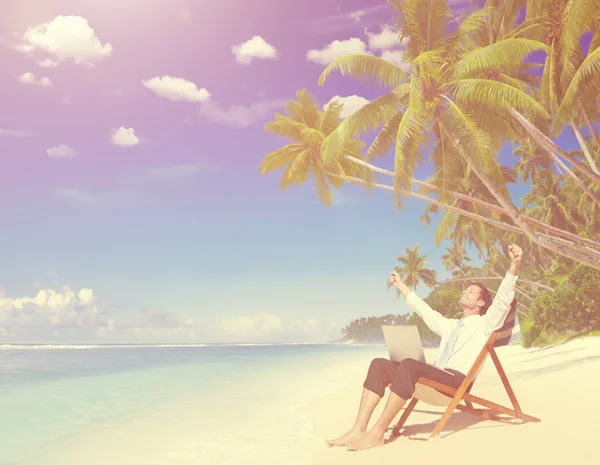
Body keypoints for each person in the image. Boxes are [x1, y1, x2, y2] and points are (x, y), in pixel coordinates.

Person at [327, 244, 523, 451]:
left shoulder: (486, 324)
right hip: (438, 376)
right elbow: (424, 310)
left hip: (455, 381)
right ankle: (358, 429)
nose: (465, 292)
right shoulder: (450, 325)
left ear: (481, 303)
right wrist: (400, 285)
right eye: (466, 289)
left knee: (410, 366)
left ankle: (377, 433)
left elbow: (503, 300)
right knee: (379, 365)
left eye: (471, 292)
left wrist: (514, 264)